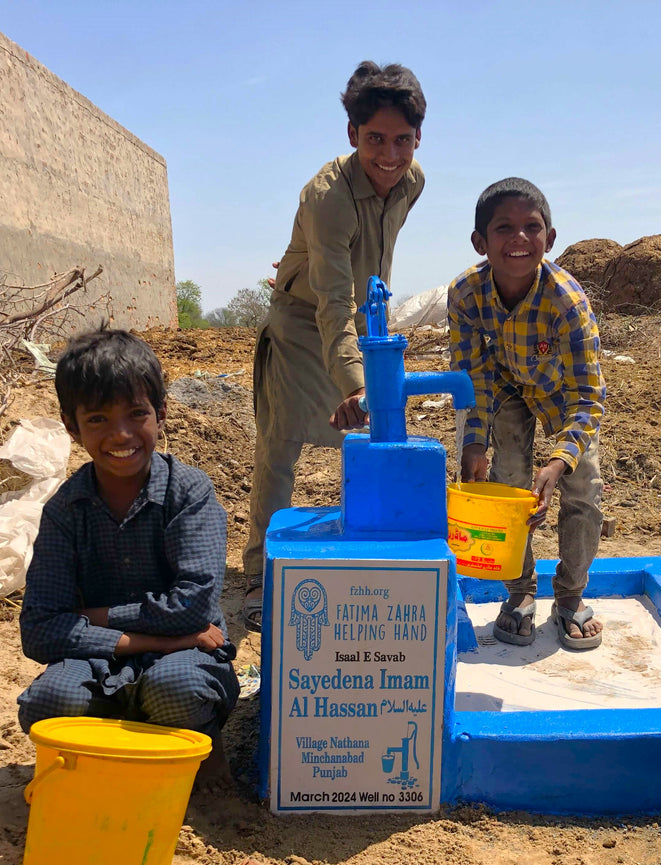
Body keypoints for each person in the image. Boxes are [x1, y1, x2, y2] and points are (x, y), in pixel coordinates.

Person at [243, 61, 427, 631]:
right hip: (303, 319)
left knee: (377, 429)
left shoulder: (413, 182)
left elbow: (372, 265)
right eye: (375, 140)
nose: (390, 156)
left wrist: (372, 345)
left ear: (418, 139)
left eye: (402, 140)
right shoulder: (327, 198)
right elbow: (330, 302)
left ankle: (372, 548)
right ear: (352, 134)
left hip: (359, 314)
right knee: (282, 444)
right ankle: (260, 573)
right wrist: (357, 382)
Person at [17, 328, 239, 784]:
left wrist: (91, 617)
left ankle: (196, 760)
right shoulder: (65, 510)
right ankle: (110, 759)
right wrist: (161, 640)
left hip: (185, 660)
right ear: (71, 426)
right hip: (107, 660)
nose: (120, 434)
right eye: (98, 418)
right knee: (47, 704)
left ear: (161, 413)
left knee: (175, 689)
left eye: (136, 413)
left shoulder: (188, 493)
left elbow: (193, 609)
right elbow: (39, 631)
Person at [448, 178, 606, 649]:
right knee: (509, 482)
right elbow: (472, 377)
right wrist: (474, 442)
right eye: (504, 228)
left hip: (562, 392)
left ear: (549, 238)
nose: (519, 238)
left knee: (583, 486)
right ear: (480, 241)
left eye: (531, 227)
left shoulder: (567, 301)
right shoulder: (466, 294)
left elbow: (588, 397)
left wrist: (558, 463)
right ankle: (519, 591)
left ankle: (570, 595)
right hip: (505, 388)